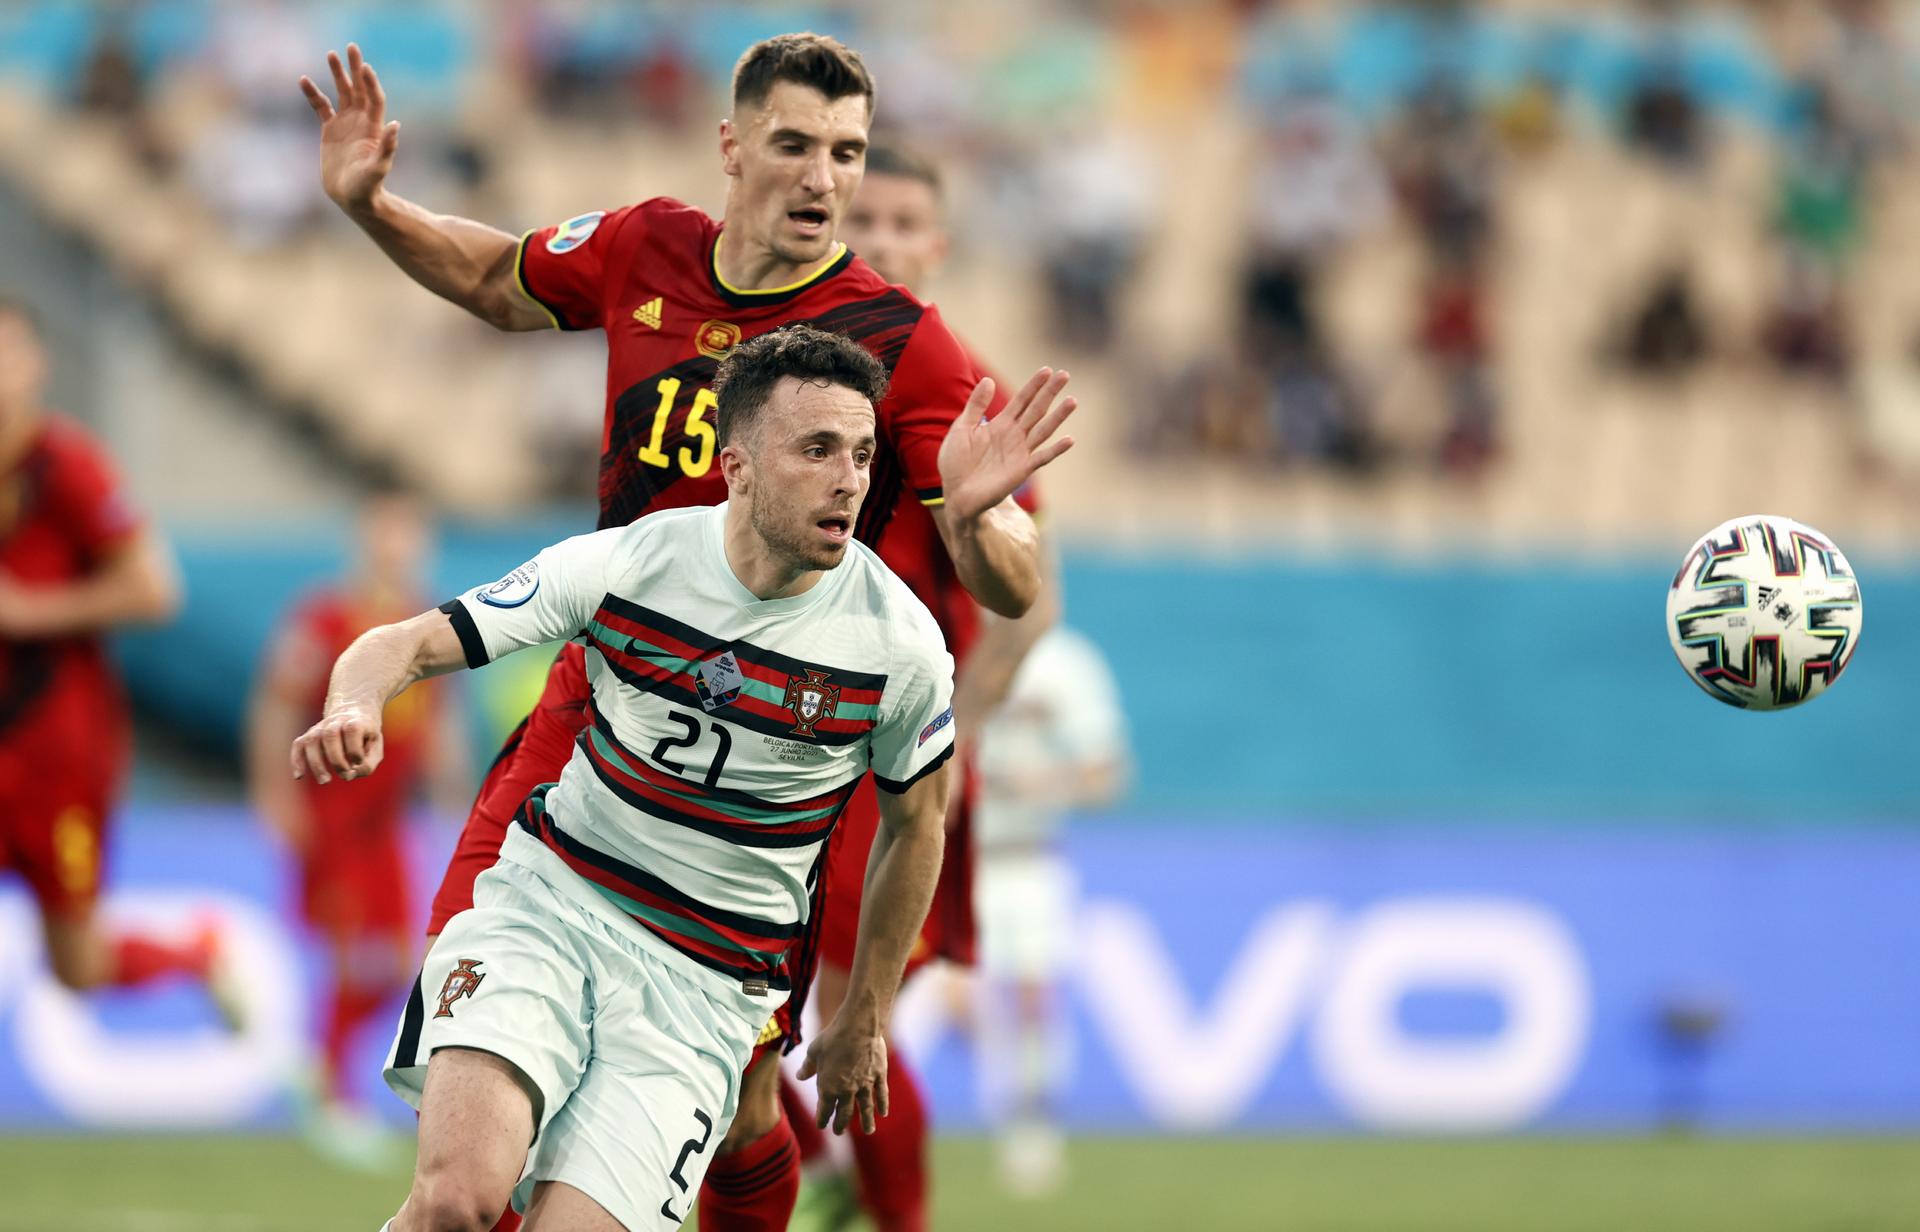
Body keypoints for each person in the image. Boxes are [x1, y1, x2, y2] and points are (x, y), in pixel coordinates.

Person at [299, 32, 1071, 1232]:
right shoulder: (645, 248)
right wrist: (372, 206)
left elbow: (1015, 574)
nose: (824, 179)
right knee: (468, 1169)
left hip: (770, 758)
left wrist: (977, 525)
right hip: (596, 712)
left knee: (758, 1089)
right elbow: (495, 278)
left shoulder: (893, 335)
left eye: (848, 154)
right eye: (796, 146)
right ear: (732, 146)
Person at [783, 142, 1060, 1231]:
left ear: (937, 246)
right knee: (746, 990)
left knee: (855, 1012)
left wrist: (949, 739)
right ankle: (817, 1171)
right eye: (870, 223)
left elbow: (1030, 598)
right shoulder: (796, 379)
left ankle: (884, 1207)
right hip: (776, 729)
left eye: (909, 225)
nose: (886, 242)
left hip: (877, 749)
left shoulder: (970, 394)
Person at [0, 297, 239, 1020]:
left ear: (36, 366)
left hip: (58, 750)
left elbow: (155, 589)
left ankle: (198, 954)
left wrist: (28, 611)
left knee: (76, 965)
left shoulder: (66, 466)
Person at [248, 490, 465, 1161]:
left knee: (401, 961)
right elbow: (275, 705)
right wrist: (272, 797)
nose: (398, 545)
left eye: (410, 533)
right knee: (349, 956)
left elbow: (438, 722)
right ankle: (330, 1098)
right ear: (367, 538)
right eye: (387, 530)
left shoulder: (429, 622)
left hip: (387, 822)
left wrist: (453, 798)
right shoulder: (324, 618)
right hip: (332, 813)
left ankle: (316, 1071)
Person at [972, 623, 1128, 1197]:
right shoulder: (943, 638)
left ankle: (1033, 1130)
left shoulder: (1064, 662)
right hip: (950, 858)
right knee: (962, 1004)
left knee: (1036, 999)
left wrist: (1044, 784)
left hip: (1030, 857)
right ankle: (998, 1114)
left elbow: (1107, 770)